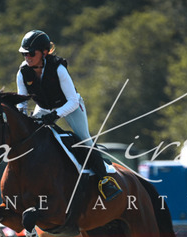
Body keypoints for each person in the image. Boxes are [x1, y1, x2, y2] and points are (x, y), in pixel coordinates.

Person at [16, 29, 122, 201]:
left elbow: (72, 101)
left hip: (70, 106)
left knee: (85, 140)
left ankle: (105, 180)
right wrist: (21, 116)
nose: (27, 57)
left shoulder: (58, 69)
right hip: (43, 108)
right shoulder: (22, 72)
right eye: (24, 54)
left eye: (31, 53)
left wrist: (55, 114)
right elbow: (22, 101)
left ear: (44, 52)